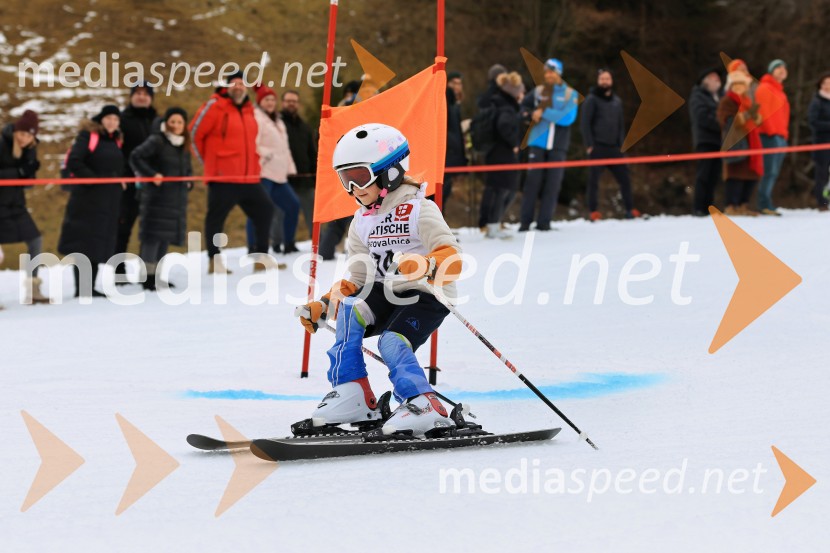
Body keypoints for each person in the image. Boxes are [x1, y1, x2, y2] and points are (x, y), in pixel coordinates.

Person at [297, 123, 462, 436]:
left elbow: (453, 259)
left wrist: (426, 264)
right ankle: (354, 392)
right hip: (384, 291)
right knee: (349, 308)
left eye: (359, 177)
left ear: (390, 172)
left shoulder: (420, 210)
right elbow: (357, 277)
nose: (353, 189)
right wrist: (324, 304)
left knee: (392, 341)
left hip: (426, 294)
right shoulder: (362, 220)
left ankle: (421, 401)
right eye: (345, 179)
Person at [190, 71, 274, 274]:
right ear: (227, 86)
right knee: (216, 218)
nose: (238, 87)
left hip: (249, 177)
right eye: (234, 83)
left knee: (265, 210)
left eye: (242, 84)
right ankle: (214, 260)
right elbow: (194, 134)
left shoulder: (249, 110)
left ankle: (260, 257)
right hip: (223, 177)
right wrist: (210, 164)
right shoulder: (215, 105)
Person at [58, 105, 125, 297]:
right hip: (87, 199)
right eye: (109, 118)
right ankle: (82, 289)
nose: (112, 122)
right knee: (83, 243)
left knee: (96, 243)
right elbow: (75, 161)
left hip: (107, 201)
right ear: (101, 120)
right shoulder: (88, 137)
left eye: (116, 119)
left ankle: (89, 287)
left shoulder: (116, 141)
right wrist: (94, 180)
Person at [129, 107, 193, 291]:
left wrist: (189, 181)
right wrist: (152, 174)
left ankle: (157, 276)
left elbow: (187, 169)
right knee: (152, 238)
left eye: (180, 122)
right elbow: (136, 157)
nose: (176, 125)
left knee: (165, 238)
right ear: (166, 123)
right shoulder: (157, 140)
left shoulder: (183, 145)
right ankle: (147, 277)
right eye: (172, 121)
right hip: (157, 198)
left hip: (175, 199)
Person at [519, 58, 578, 231]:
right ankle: (524, 223)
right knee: (531, 184)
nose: (548, 75)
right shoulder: (538, 91)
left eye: (551, 71)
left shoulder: (569, 94)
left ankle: (544, 223)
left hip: (558, 145)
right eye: (546, 72)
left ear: (559, 73)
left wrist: (543, 112)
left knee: (552, 185)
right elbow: (523, 107)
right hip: (537, 142)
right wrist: (529, 114)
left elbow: (567, 118)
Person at [0, 109, 47, 304]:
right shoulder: (1, 143)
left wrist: (28, 173)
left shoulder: (30, 149)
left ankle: (32, 289)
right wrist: (17, 172)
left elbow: (27, 183)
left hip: (15, 206)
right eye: (21, 133)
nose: (23, 138)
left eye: (28, 135)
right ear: (15, 131)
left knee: (35, 240)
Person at [580, 69, 640, 221]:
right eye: (602, 79)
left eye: (607, 78)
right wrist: (589, 144)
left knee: (625, 179)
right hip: (597, 147)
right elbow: (585, 123)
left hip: (615, 148)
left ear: (611, 80)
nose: (605, 81)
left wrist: (621, 144)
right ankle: (593, 211)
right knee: (593, 181)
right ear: (598, 81)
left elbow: (620, 125)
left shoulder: (617, 101)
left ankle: (630, 209)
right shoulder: (591, 99)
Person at [248, 85, 300, 256]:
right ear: (260, 102)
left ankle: (289, 243)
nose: (270, 103)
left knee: (293, 205)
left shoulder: (278, 120)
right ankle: (253, 246)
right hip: (264, 172)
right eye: (266, 100)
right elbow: (252, 143)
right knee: (258, 209)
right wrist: (266, 154)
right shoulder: (256, 118)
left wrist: (290, 167)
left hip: (280, 175)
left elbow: (285, 147)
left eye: (272, 99)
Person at [115, 83, 157, 277]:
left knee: (151, 230)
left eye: (146, 94)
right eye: (138, 93)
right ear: (131, 97)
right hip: (129, 183)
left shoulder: (157, 121)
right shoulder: (122, 120)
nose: (142, 97)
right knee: (123, 228)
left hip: (153, 183)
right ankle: (119, 271)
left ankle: (148, 273)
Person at [480, 72, 523, 239]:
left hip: (495, 152)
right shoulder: (506, 107)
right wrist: (514, 144)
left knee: (503, 189)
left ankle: (494, 224)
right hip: (502, 153)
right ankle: (493, 226)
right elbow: (504, 125)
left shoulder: (499, 103)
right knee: (504, 189)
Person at [717, 71, 763, 216]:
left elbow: (757, 122)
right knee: (735, 175)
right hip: (736, 143)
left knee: (750, 176)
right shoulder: (727, 101)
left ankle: (744, 205)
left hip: (751, 142)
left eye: (742, 84)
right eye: (735, 84)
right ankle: (731, 205)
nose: (739, 87)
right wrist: (746, 116)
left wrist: (756, 116)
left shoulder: (749, 100)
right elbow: (727, 121)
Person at [754, 59, 790, 216]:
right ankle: (763, 204)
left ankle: (767, 202)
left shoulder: (780, 91)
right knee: (769, 171)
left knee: (774, 172)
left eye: (784, 67)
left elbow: (784, 116)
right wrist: (770, 132)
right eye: (778, 67)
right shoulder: (764, 87)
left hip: (780, 136)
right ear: (771, 71)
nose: (782, 70)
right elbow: (762, 113)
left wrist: (783, 134)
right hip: (769, 136)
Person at [689, 68, 725, 216]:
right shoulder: (698, 96)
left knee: (714, 175)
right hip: (705, 140)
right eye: (713, 77)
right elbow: (702, 117)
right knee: (703, 175)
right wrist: (721, 123)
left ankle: (709, 206)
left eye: (718, 78)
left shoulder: (719, 96)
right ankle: (698, 207)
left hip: (719, 141)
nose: (717, 80)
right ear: (705, 80)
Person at [281, 89, 317, 237]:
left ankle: (317, 241)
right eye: (289, 101)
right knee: (283, 214)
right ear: (283, 103)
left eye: (294, 101)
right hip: (284, 179)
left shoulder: (305, 127)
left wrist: (315, 176)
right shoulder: (277, 124)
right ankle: (283, 243)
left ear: (298, 104)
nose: (291, 104)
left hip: (305, 181)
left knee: (313, 213)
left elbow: (312, 152)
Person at [444, 71, 468, 204]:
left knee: (446, 191)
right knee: (440, 192)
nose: (457, 86)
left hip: (452, 153)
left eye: (459, 83)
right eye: (454, 83)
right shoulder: (445, 99)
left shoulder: (455, 104)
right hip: (447, 154)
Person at [807, 72, 830, 212]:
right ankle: (822, 202)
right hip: (822, 143)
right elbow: (813, 122)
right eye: (826, 82)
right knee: (821, 174)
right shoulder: (816, 101)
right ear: (820, 85)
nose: (828, 85)